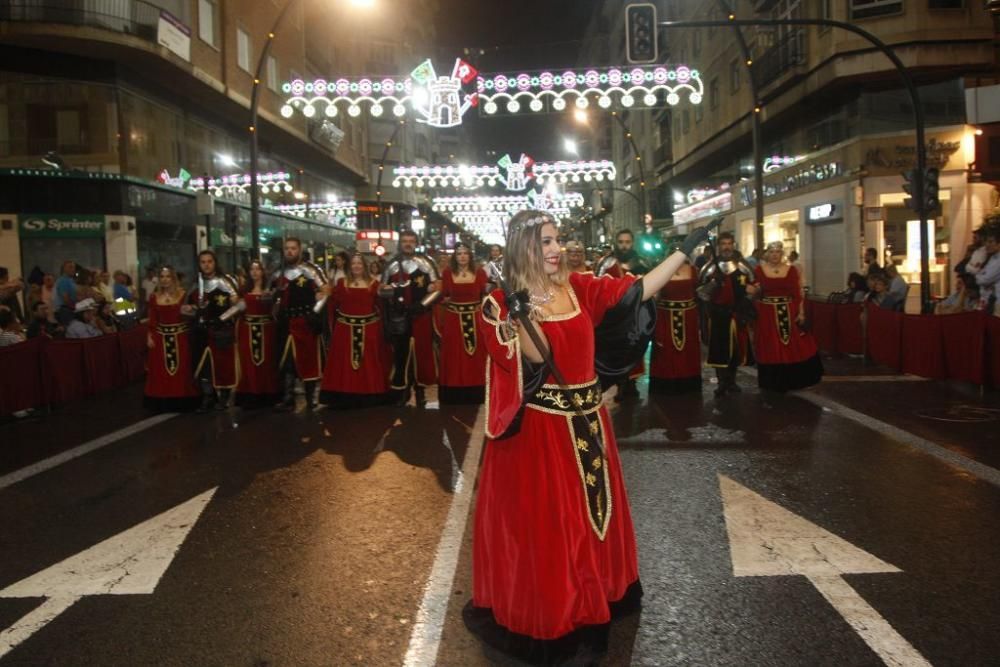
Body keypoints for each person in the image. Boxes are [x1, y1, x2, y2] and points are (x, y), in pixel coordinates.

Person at [465, 210, 711, 664]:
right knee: (558, 528)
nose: (556, 249)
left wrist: (682, 251)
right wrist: (521, 313)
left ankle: (595, 595)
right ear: (523, 247)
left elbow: (635, 292)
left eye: (557, 239)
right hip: (541, 435)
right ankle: (560, 609)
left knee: (592, 519)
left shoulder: (578, 287)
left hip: (589, 421)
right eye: (545, 242)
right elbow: (538, 359)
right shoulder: (499, 305)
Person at [319, 253, 391, 408]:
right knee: (342, 362)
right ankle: (344, 394)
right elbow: (332, 303)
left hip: (370, 329)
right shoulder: (341, 283)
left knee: (370, 363)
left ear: (364, 266)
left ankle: (370, 393)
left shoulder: (374, 284)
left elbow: (382, 307)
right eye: (353, 263)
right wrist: (324, 294)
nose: (356, 266)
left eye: (359, 263)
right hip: (344, 330)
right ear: (349, 266)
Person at [379, 229, 440, 406]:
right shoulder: (391, 264)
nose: (408, 243)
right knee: (400, 353)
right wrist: (392, 296)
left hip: (421, 315)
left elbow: (438, 288)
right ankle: (402, 390)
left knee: (421, 352)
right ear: (400, 242)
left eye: (411, 240)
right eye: (405, 240)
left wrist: (422, 305)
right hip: (399, 317)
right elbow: (382, 289)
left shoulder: (426, 263)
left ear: (416, 242)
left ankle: (420, 390)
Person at [752, 241, 823, 392]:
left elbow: (797, 293)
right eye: (771, 252)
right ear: (767, 254)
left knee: (792, 344)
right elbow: (753, 291)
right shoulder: (758, 270)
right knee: (770, 344)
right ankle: (771, 381)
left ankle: (792, 380)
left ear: (782, 254)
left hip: (789, 311)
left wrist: (801, 312)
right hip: (767, 313)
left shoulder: (791, 270)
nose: (774, 255)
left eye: (777, 252)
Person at [697, 230, 758, 397]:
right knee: (718, 350)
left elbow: (755, 287)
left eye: (729, 244)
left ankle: (732, 381)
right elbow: (700, 292)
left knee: (736, 349)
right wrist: (713, 285)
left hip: (737, 313)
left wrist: (749, 293)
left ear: (733, 245)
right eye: (723, 244)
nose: (726, 247)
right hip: (717, 315)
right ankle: (721, 382)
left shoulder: (743, 265)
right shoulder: (709, 267)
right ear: (718, 246)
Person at [271, 237, 330, 410]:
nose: (290, 251)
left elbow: (326, 291)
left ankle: (311, 398)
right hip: (285, 322)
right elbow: (272, 295)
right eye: (287, 248)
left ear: (300, 249)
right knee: (287, 360)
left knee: (308, 360)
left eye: (293, 248)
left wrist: (315, 311)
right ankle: (288, 398)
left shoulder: (311, 270)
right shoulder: (277, 272)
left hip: (305, 321)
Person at [595, 229, 649, 400]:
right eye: (621, 242)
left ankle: (631, 385)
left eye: (627, 242)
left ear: (632, 243)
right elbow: (596, 288)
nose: (624, 246)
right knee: (616, 351)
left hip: (635, 315)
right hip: (614, 317)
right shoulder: (606, 263)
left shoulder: (641, 262)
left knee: (634, 348)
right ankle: (619, 384)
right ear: (616, 243)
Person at [185, 250, 242, 412]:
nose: (206, 265)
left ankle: (224, 397)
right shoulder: (195, 284)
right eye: (203, 262)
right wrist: (193, 310)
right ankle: (208, 397)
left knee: (223, 365)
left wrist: (222, 318)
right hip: (201, 330)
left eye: (209, 261)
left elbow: (239, 305)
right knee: (204, 366)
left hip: (221, 329)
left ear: (215, 262)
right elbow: (185, 308)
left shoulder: (226, 281)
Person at [436, 243, 488, 404]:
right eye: (459, 254)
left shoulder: (480, 273)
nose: (463, 256)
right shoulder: (447, 273)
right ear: (455, 257)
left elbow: (485, 295)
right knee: (454, 357)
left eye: (465, 253)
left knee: (476, 357)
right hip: (453, 320)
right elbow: (442, 296)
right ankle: (454, 392)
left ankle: (476, 391)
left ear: (470, 256)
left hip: (476, 318)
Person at [144, 266, 200, 412]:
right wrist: (149, 335)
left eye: (168, 276)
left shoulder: (183, 295)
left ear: (173, 278)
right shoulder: (154, 297)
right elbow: (152, 319)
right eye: (162, 276)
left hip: (180, 337)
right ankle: (164, 401)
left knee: (181, 370)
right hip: (160, 338)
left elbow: (196, 312)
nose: (165, 279)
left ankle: (182, 399)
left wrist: (191, 309)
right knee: (161, 372)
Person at [649, 249, 701, 394]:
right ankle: (665, 384)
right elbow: (654, 294)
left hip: (688, 317)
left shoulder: (693, 270)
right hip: (665, 316)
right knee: (665, 350)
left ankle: (688, 382)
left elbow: (700, 292)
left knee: (688, 349)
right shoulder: (661, 270)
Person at [235, 260, 280, 409]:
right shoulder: (243, 289)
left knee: (267, 362)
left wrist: (273, 300)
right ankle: (250, 393)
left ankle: (267, 393)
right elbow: (237, 309)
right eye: (252, 269)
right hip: (247, 330)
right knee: (248, 362)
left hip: (267, 330)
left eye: (258, 269)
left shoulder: (271, 288)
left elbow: (276, 308)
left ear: (263, 271)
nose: (255, 272)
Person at [974, 225, 1000, 315]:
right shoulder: (992, 258)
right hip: (988, 300)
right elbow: (979, 274)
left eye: (991, 242)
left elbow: (984, 279)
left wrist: (980, 276)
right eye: (986, 242)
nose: (987, 245)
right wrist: (980, 275)